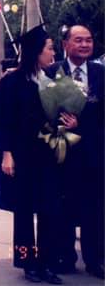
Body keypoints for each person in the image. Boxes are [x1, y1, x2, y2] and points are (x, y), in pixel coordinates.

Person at [0, 24, 68, 284]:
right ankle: (28, 261)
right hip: (21, 155)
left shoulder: (51, 79)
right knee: (24, 211)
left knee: (48, 210)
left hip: (47, 155)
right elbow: (2, 119)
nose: (53, 52)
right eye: (49, 48)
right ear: (35, 51)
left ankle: (46, 263)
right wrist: (7, 154)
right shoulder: (12, 81)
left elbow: (58, 115)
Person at [47, 25, 104, 279]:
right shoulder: (51, 73)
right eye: (78, 40)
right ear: (65, 45)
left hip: (94, 153)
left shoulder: (101, 73)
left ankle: (96, 259)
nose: (84, 45)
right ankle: (64, 256)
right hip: (61, 153)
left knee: (95, 208)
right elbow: (40, 113)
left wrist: (83, 126)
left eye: (89, 40)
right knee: (64, 206)